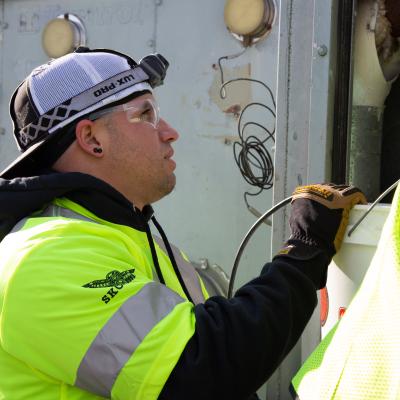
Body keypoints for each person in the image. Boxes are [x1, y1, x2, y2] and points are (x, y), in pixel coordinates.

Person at [0, 47, 366, 400]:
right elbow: (206, 368)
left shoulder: (128, 238)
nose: (170, 132)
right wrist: (304, 251)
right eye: (146, 115)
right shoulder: (44, 257)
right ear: (92, 139)